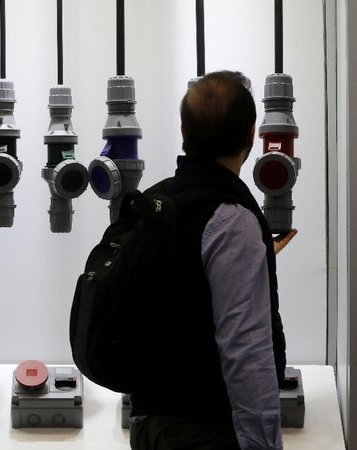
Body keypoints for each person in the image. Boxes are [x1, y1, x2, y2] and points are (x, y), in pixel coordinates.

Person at [128, 70, 298, 450]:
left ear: (184, 132)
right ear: (251, 134)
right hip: (206, 432)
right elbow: (246, 352)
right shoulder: (232, 222)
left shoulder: (159, 202)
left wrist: (251, 260)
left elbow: (181, 287)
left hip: (149, 424)